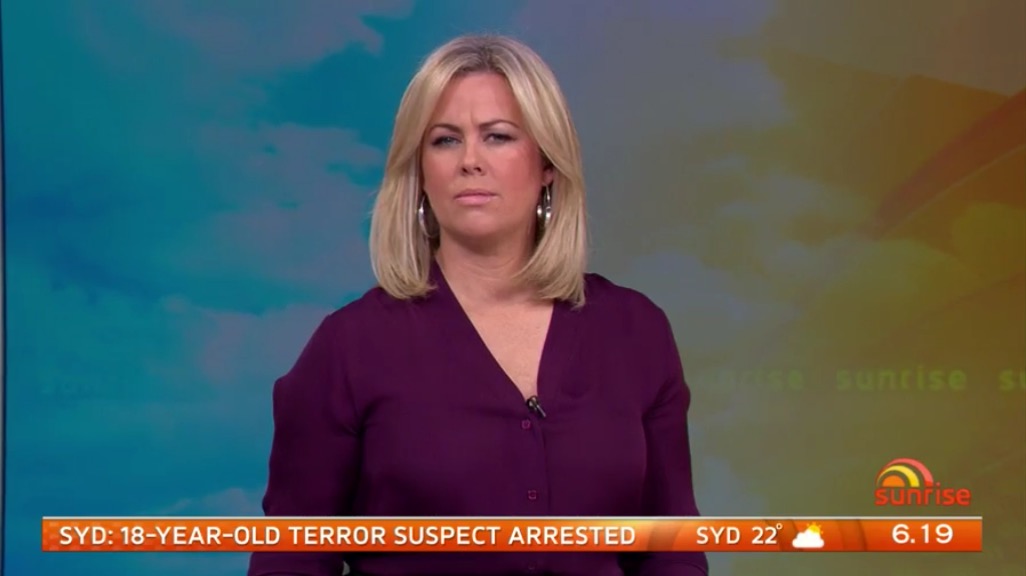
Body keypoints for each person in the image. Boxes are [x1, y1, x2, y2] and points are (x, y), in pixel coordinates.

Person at [248, 34, 708, 576]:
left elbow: (672, 549)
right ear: (420, 172)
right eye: (445, 140)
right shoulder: (348, 348)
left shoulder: (636, 331)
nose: (470, 161)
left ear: (547, 164)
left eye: (497, 136)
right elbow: (292, 558)